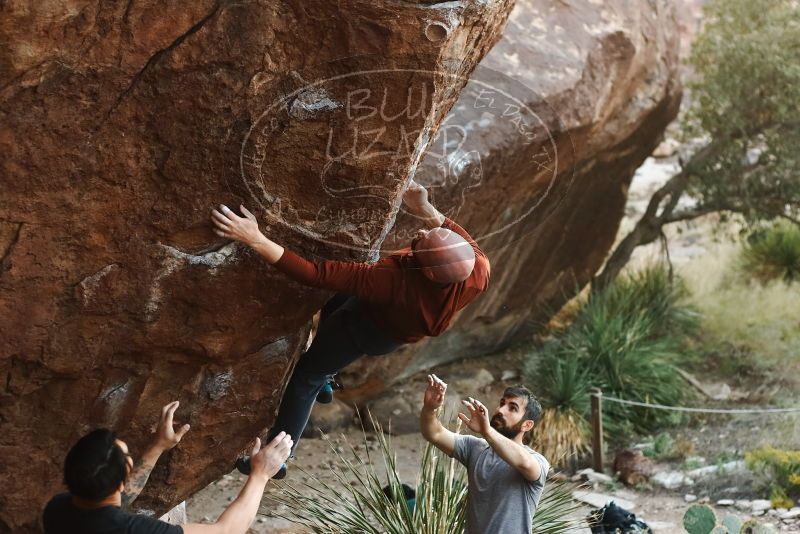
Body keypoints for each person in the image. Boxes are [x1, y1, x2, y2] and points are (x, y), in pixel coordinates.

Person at [210, 180, 490, 478]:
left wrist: (255, 238)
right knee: (339, 298)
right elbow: (453, 237)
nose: (421, 231)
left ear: (426, 271)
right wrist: (422, 206)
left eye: (423, 241)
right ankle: (328, 377)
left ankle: (278, 458)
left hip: (367, 330)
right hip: (390, 322)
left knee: (307, 377)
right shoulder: (477, 270)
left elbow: (314, 273)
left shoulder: (390, 281)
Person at [43, 401, 293, 534]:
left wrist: (158, 446)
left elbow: (113, 499)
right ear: (120, 483)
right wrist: (260, 474)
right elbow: (226, 530)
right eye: (129, 456)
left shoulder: (57, 509)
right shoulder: (136, 531)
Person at [420, 375, 550, 534]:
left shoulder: (537, 461)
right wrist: (429, 408)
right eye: (502, 403)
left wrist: (486, 431)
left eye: (512, 408)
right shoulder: (475, 448)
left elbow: (525, 464)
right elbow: (435, 434)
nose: (501, 410)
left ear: (527, 425)